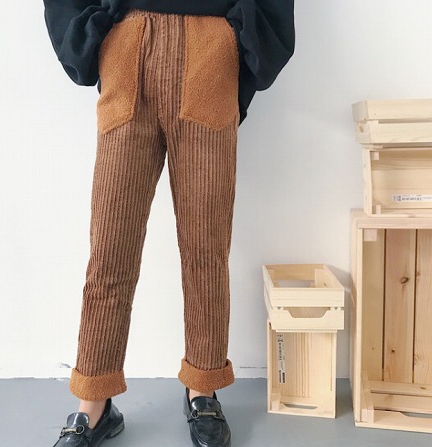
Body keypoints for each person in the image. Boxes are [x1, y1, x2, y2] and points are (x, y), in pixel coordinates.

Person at [43, 1, 295, 446]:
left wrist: (236, 34)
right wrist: (98, 31)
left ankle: (203, 386)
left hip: (209, 50)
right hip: (128, 44)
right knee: (110, 249)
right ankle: (94, 399)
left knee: (206, 247)